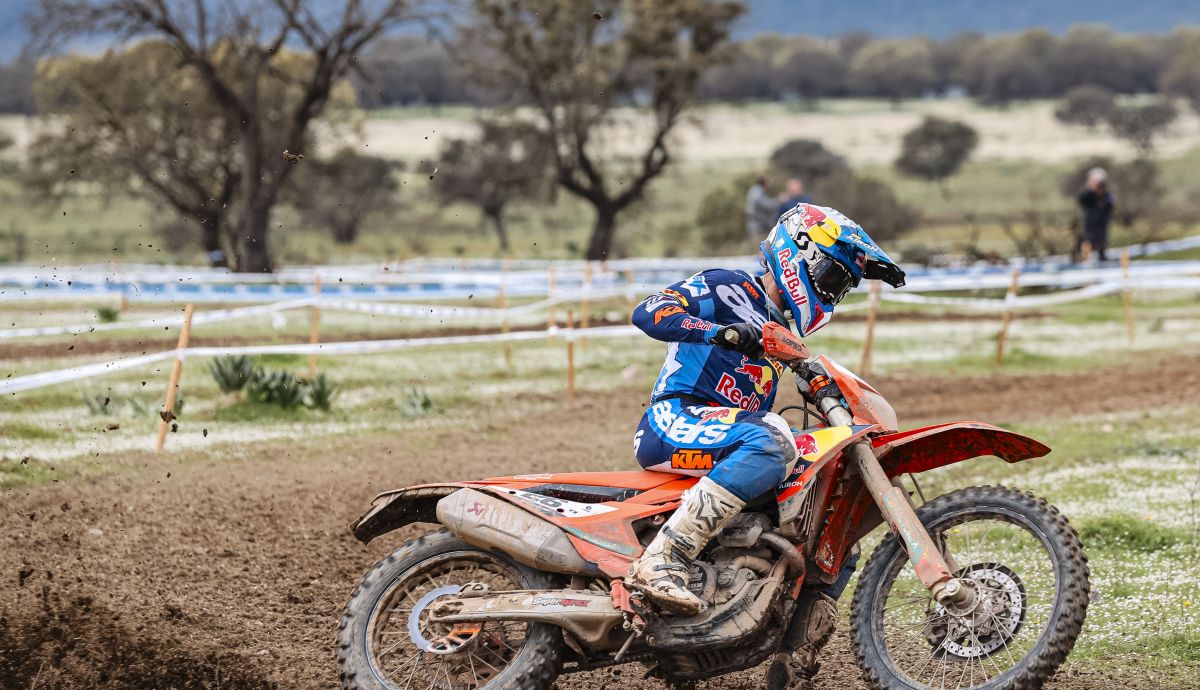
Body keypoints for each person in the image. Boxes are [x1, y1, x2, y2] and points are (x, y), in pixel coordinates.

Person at [628, 203, 906, 688]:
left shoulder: (784, 334)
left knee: (831, 508)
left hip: (727, 434)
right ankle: (663, 559)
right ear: (800, 252)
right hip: (675, 417)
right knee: (774, 436)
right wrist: (722, 331)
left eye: (842, 287)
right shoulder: (726, 286)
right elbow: (648, 312)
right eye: (832, 277)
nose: (832, 294)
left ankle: (792, 662)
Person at [1077, 167, 1115, 262]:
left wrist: (1101, 194)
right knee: (1087, 244)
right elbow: (1081, 198)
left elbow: (1110, 204)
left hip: (1101, 226)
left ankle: (1102, 260)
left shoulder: (1107, 195)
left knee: (1101, 246)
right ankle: (1085, 261)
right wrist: (1091, 189)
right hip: (1089, 226)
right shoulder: (1087, 194)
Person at [745, 175, 778, 241]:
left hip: (754, 225)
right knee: (761, 248)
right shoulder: (758, 192)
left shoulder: (754, 190)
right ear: (765, 183)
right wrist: (778, 201)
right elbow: (767, 205)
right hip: (758, 227)